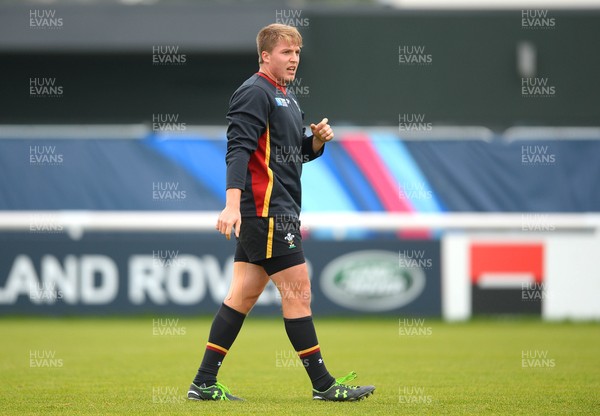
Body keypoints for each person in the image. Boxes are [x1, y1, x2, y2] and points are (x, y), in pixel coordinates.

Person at [187, 23, 375, 402]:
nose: (294, 59)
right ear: (265, 55)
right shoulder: (255, 92)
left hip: (276, 210)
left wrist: (315, 143)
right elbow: (238, 150)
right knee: (298, 292)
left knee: (241, 295)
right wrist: (231, 204)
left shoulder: (285, 96)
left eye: (297, 52)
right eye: (286, 52)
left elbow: (291, 155)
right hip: (267, 212)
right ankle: (324, 385)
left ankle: (203, 383)